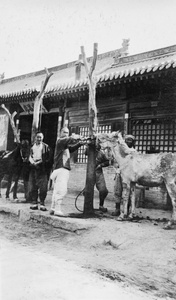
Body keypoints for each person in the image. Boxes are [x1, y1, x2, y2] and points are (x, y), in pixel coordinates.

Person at [50, 127, 86, 217]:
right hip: (62, 168)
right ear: (60, 132)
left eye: (67, 132)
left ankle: (53, 208)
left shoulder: (63, 145)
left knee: (56, 190)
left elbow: (71, 149)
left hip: (58, 168)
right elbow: (69, 139)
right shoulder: (60, 140)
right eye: (64, 132)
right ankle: (57, 210)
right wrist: (77, 137)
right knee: (61, 190)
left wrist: (80, 144)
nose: (66, 134)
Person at [112, 134, 136, 216]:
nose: (129, 142)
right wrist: (117, 169)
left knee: (128, 193)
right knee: (118, 191)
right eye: (127, 140)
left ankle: (128, 210)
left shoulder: (133, 151)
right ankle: (117, 209)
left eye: (130, 140)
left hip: (129, 175)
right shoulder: (121, 151)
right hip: (119, 173)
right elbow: (115, 162)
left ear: (133, 142)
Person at [28, 132, 53, 211]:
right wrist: (32, 162)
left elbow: (48, 158)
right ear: (35, 138)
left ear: (43, 138)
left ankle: (42, 203)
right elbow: (29, 156)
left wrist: (40, 162)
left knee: (43, 187)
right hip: (33, 167)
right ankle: (34, 202)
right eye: (38, 137)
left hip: (42, 168)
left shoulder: (46, 147)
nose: (39, 139)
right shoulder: (32, 147)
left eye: (40, 137)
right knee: (33, 186)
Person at [85, 143, 111, 213]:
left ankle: (101, 206)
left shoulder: (101, 153)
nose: (96, 147)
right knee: (87, 191)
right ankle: (88, 206)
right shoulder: (89, 151)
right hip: (90, 172)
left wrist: (100, 165)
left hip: (98, 172)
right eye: (95, 145)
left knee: (104, 191)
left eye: (97, 146)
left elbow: (107, 162)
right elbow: (85, 152)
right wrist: (87, 145)